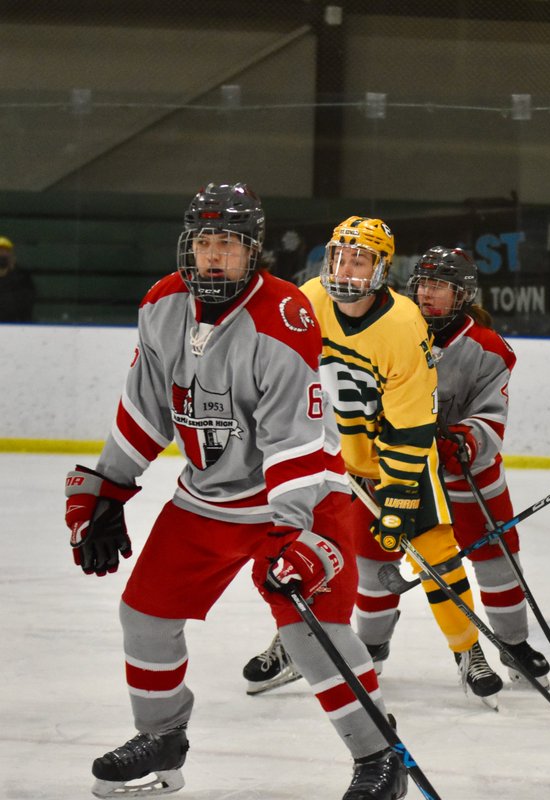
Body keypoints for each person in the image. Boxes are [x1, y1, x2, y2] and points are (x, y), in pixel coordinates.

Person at [63, 184, 406, 800]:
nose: (213, 256)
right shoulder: (163, 303)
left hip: (302, 496)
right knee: (145, 615)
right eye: (203, 242)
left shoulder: (283, 316)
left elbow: (294, 437)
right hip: (209, 499)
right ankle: (161, 736)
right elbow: (146, 407)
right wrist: (108, 486)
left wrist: (293, 531)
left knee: (312, 633)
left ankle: (380, 756)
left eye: (228, 244)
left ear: (254, 252)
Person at [242, 219, 504, 705]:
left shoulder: (405, 325)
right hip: (323, 458)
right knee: (302, 554)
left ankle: (468, 651)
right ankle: (295, 644)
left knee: (435, 551)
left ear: (381, 269)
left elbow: (411, 422)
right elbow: (280, 376)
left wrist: (401, 491)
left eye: (358, 260)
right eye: (339, 257)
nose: (345, 268)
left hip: (393, 458)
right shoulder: (309, 300)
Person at [410, 246, 550, 686]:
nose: (428, 294)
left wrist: (466, 437)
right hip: (410, 472)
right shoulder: (395, 330)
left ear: (463, 294)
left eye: (440, 287)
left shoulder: (488, 348)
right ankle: (374, 645)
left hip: (470, 472)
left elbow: (491, 414)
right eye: (424, 284)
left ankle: (514, 645)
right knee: (383, 558)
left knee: (497, 559)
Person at [0, 235, 36, 322]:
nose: (2, 254)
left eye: (6, 251)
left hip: (16, 325)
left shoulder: (22, 277)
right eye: (0, 251)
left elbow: (27, 302)